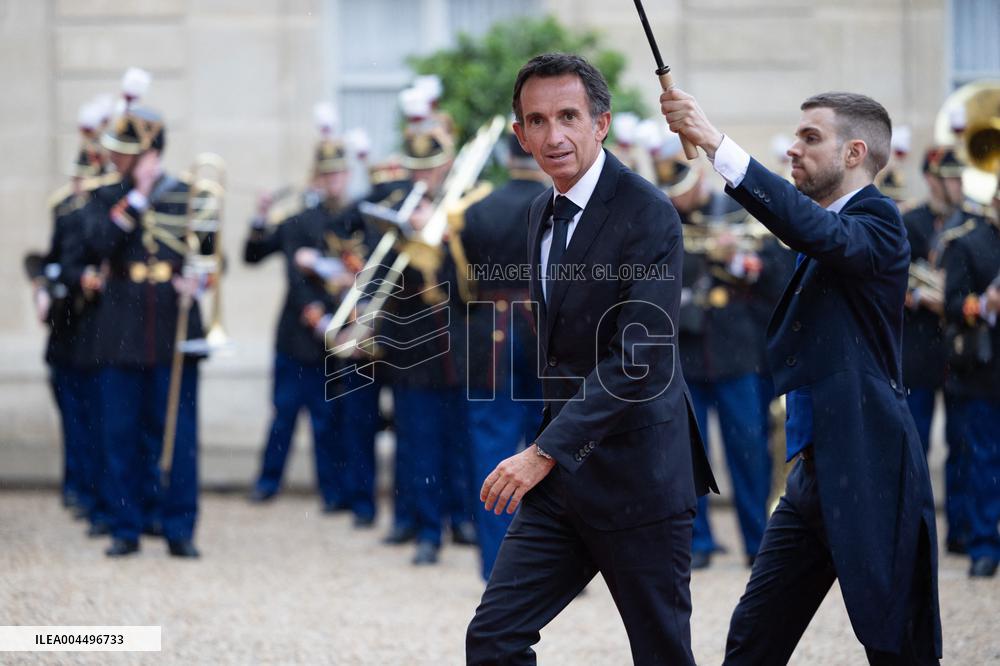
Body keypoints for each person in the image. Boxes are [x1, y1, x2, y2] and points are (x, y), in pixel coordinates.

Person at [661, 89, 942, 662]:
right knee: (753, 639)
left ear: (854, 152)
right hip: (813, 473)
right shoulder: (821, 228)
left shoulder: (879, 221)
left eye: (811, 138)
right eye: (796, 136)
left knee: (899, 646)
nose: (794, 148)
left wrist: (716, 142)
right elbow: (805, 228)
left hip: (873, 465)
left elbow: (815, 231)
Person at [466, 53, 716, 666]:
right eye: (537, 121)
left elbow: (640, 358)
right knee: (494, 640)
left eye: (569, 116)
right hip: (564, 480)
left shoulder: (649, 213)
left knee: (662, 655)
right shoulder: (537, 213)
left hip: (642, 480)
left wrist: (541, 451)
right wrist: (554, 451)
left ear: (600, 123)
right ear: (519, 134)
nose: (554, 136)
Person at [83, 99, 211, 559]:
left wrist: (198, 278)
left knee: (178, 433)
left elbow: (212, 255)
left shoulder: (187, 194)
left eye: (127, 151)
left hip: (174, 327)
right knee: (121, 432)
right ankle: (125, 525)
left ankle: (179, 526)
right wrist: (136, 195)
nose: (116, 156)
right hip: (121, 326)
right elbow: (97, 243)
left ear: (150, 150)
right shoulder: (105, 196)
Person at [244, 130, 351, 512]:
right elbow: (256, 255)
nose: (333, 180)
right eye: (327, 174)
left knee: (328, 421)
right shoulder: (298, 221)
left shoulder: (353, 219)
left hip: (336, 336)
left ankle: (333, 492)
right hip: (296, 336)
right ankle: (267, 483)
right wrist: (259, 216)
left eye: (339, 173)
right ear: (316, 178)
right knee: (284, 415)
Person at [459, 132, 548, 581]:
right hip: (545, 332)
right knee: (551, 447)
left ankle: (496, 566)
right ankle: (554, 563)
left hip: (489, 334)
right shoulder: (554, 204)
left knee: (492, 451)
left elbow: (463, 283)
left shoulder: (477, 210)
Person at [940, 177, 1000, 578]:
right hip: (986, 370)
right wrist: (985, 303)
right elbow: (952, 302)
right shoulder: (970, 242)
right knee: (984, 460)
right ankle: (983, 545)